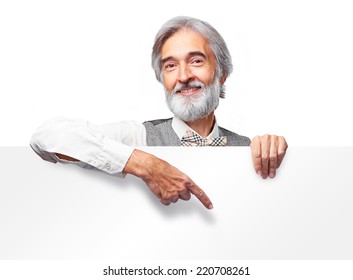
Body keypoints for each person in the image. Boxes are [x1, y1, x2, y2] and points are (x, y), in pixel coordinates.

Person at [30, 16, 287, 210]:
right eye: (171, 66)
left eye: (196, 61)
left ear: (221, 74)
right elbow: (46, 137)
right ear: (162, 78)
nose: (184, 76)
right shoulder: (137, 136)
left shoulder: (247, 148)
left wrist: (273, 154)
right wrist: (143, 163)